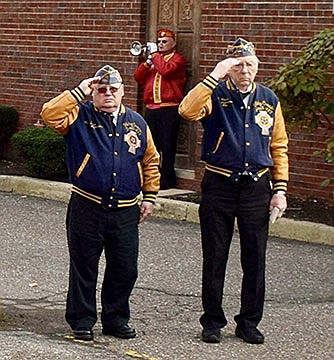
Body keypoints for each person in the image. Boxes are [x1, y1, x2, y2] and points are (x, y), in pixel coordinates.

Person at [179, 38, 289, 344]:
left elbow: (278, 146)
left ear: (257, 66)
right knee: (215, 255)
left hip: (257, 187)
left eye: (250, 65)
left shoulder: (268, 98)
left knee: (255, 258)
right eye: (238, 65)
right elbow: (187, 110)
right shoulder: (214, 93)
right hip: (219, 185)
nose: (245, 71)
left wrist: (279, 190)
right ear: (228, 68)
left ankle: (249, 322)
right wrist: (215, 74)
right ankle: (212, 320)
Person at [40, 65, 160, 341]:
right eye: (101, 90)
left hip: (126, 210)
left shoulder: (137, 122)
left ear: (122, 92)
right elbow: (49, 113)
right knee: (84, 265)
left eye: (113, 90)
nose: (107, 94)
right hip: (87, 206)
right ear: (93, 92)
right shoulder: (78, 116)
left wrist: (150, 196)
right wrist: (79, 91)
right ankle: (82, 320)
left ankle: (116, 319)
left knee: (125, 267)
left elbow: (151, 160)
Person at [134, 29, 187, 190]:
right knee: (151, 145)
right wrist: (147, 63)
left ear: (173, 43)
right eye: (159, 42)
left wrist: (155, 56)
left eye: (164, 42)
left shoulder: (178, 59)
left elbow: (166, 70)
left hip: (168, 109)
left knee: (167, 145)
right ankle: (151, 176)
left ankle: (167, 179)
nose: (161, 44)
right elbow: (138, 77)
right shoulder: (155, 61)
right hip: (151, 108)